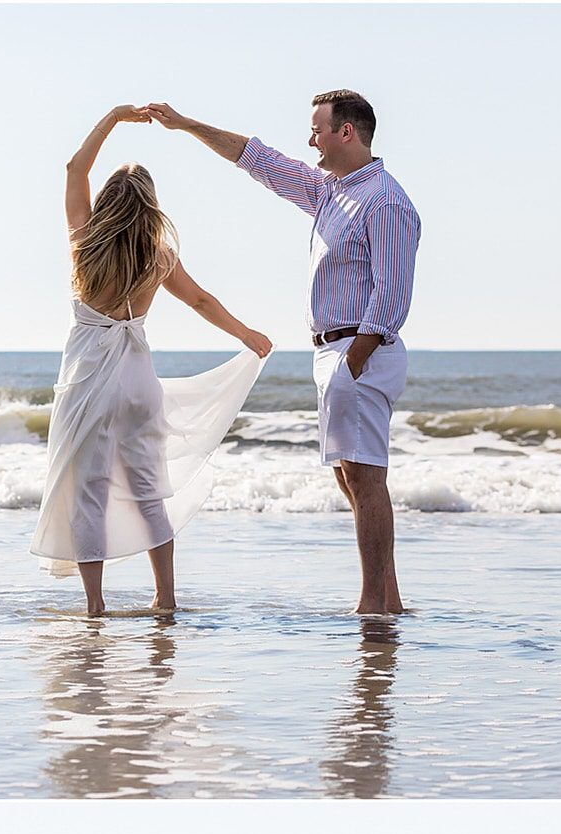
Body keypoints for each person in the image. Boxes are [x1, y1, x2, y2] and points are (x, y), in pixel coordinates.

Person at [146, 92, 422, 615]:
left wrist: (353, 362)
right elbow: (258, 159)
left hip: (359, 350)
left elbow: (392, 293)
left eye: (317, 130)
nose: (310, 140)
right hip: (335, 351)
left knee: (365, 478)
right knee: (351, 477)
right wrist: (185, 124)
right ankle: (389, 600)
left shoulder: (384, 200)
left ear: (346, 132)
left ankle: (372, 606)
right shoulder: (329, 190)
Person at [31, 107, 272, 617]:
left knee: (89, 494)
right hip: (139, 382)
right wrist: (247, 335)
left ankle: (95, 606)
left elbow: (75, 168)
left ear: (106, 202)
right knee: (147, 492)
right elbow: (200, 300)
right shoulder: (159, 255)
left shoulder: (85, 242)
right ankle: (166, 597)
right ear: (150, 206)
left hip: (90, 379)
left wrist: (115, 118)